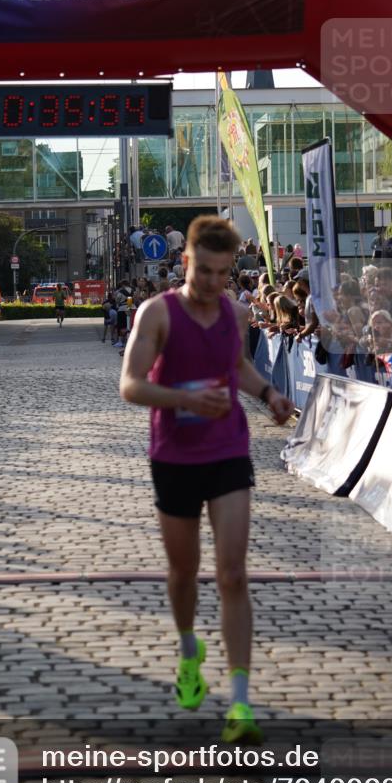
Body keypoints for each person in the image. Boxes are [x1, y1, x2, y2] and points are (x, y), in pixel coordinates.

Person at [120, 215, 294, 743]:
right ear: (186, 262)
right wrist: (186, 399)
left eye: (223, 273)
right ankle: (189, 649)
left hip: (227, 450)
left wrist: (268, 394)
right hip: (173, 455)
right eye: (204, 271)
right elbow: (130, 385)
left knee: (233, 574)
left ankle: (240, 704)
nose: (214, 282)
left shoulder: (235, 313)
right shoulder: (157, 313)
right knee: (184, 572)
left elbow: (235, 366)